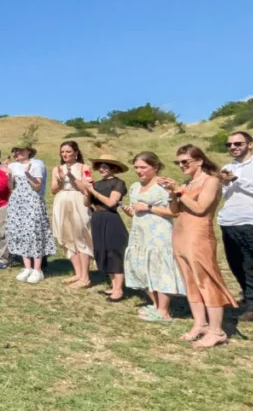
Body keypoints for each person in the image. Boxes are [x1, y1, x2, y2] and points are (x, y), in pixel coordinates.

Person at [160, 145, 237, 348]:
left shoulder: (211, 181)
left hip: (199, 235)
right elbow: (175, 210)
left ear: (200, 161)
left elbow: (201, 208)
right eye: (178, 162)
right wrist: (172, 193)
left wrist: (180, 191)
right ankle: (200, 323)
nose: (181, 165)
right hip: (181, 234)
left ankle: (216, 330)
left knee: (206, 281)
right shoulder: (187, 183)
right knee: (189, 281)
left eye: (186, 161)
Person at [122, 152, 185, 323]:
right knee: (140, 267)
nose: (139, 171)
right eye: (136, 167)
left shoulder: (163, 186)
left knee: (160, 269)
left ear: (155, 167)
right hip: (139, 233)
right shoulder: (135, 186)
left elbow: (174, 212)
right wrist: (131, 212)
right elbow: (137, 210)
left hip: (159, 234)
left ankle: (163, 311)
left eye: (143, 167)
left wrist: (147, 207)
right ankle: (157, 305)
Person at [217, 131, 253, 323]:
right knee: (241, 268)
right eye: (228, 144)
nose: (233, 147)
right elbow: (221, 195)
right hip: (230, 222)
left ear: (250, 144)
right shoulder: (226, 167)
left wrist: (237, 179)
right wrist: (220, 183)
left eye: (238, 143)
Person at [6, 142, 56, 284]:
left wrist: (28, 174)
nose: (18, 153)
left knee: (34, 233)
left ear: (29, 151)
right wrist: (9, 175)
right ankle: (27, 267)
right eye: (16, 150)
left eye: (21, 150)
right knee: (20, 232)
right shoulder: (13, 166)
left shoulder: (37, 164)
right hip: (17, 202)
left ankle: (37, 269)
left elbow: (37, 186)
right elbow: (11, 187)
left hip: (32, 202)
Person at [82, 154, 130, 301]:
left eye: (106, 166)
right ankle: (113, 286)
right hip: (97, 218)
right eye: (100, 166)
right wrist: (86, 190)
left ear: (113, 168)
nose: (102, 169)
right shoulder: (96, 184)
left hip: (111, 219)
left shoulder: (118, 183)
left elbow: (111, 203)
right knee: (103, 251)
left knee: (114, 252)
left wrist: (93, 190)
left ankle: (119, 290)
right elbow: (86, 203)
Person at [52, 141, 94, 288]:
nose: (65, 154)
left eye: (68, 151)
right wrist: (60, 180)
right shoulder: (57, 169)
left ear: (76, 152)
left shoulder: (84, 168)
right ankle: (77, 273)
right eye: (62, 151)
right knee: (67, 237)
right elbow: (53, 190)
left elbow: (87, 189)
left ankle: (85, 277)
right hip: (62, 201)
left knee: (81, 236)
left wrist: (72, 177)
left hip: (78, 201)